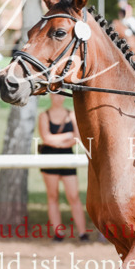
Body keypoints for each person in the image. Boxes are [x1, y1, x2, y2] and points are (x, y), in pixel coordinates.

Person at [38, 95, 89, 242]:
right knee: (52, 196)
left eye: (61, 94)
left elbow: (77, 137)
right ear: (50, 96)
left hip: (68, 157)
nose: (59, 98)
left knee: (74, 196)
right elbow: (46, 138)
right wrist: (66, 136)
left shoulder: (71, 114)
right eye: (55, 94)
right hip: (49, 159)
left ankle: (82, 233)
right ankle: (58, 233)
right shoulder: (44, 115)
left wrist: (59, 142)